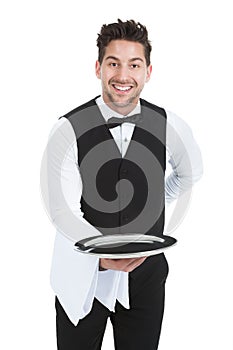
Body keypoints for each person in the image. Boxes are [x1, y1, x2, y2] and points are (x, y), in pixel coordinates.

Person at [45, 19, 203, 350]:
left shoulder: (170, 124)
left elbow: (190, 174)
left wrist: (156, 200)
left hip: (146, 275)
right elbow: (63, 210)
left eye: (134, 64)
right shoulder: (67, 129)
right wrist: (98, 257)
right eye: (114, 63)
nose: (123, 75)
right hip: (82, 273)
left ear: (147, 71)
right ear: (99, 67)